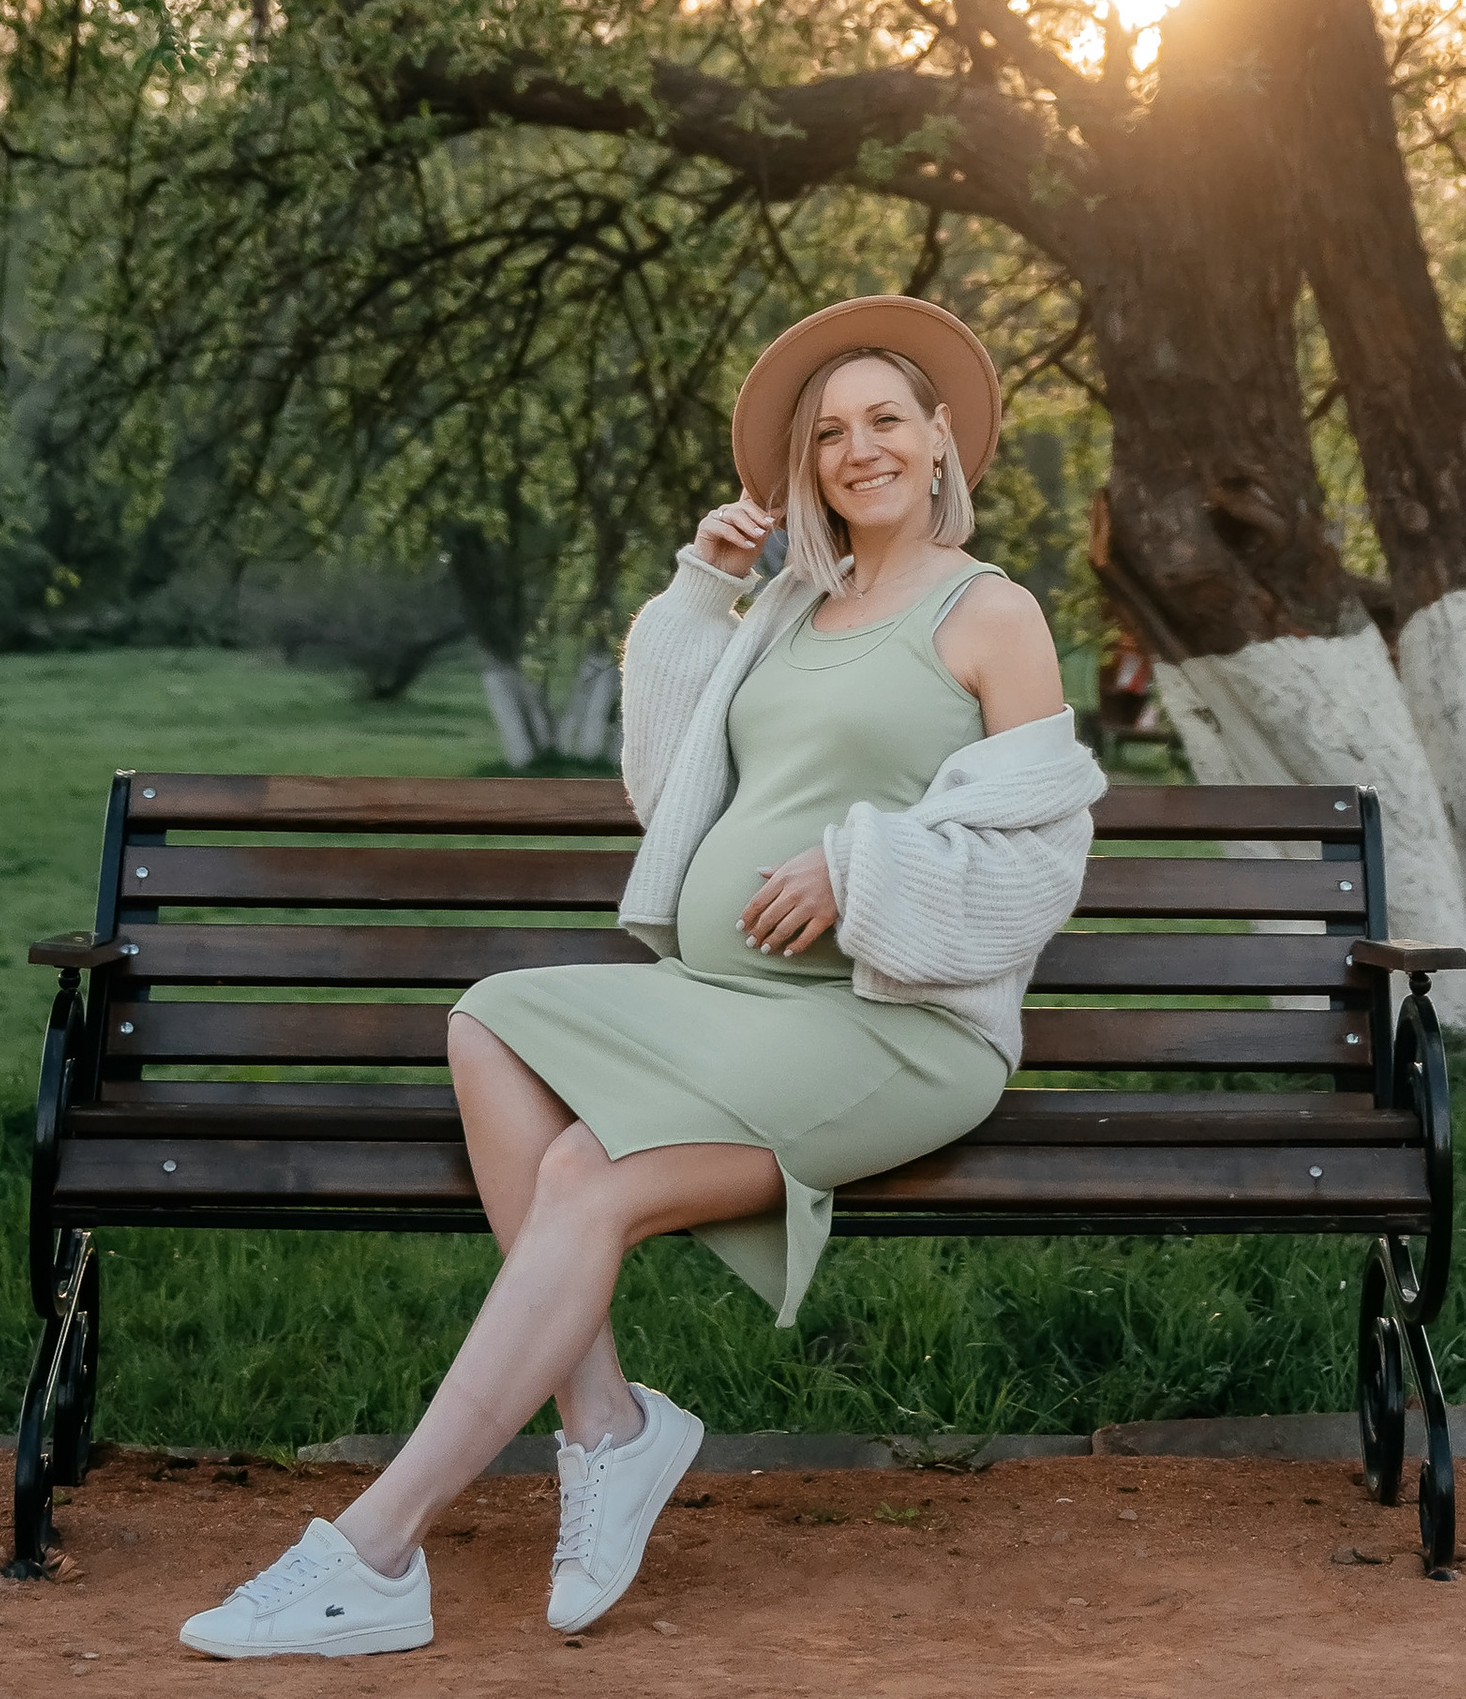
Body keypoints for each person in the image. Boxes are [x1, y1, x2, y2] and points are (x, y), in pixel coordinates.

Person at [180, 295, 1105, 1657]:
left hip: (888, 1024)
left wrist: (864, 866)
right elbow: (667, 788)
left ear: (940, 440)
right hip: (730, 1003)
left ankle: (374, 1551)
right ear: (807, 464)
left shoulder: (993, 611)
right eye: (829, 432)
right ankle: (606, 1426)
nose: (859, 449)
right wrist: (700, 590)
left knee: (584, 1180)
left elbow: (1042, 849)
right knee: (492, 1022)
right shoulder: (790, 602)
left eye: (885, 421)